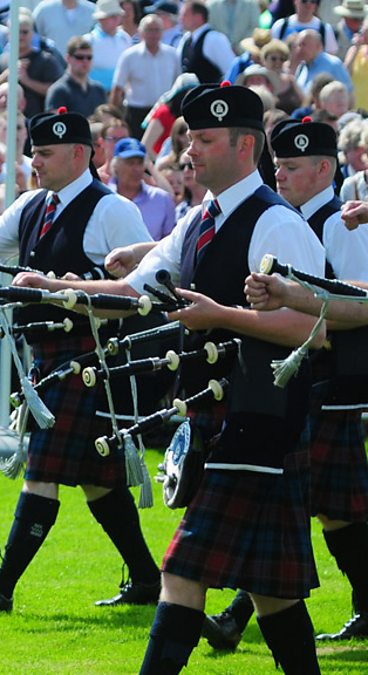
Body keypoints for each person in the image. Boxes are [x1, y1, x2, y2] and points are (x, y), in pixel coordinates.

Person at [14, 83, 326, 675]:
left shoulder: (277, 223)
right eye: (188, 139)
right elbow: (134, 293)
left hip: (261, 420)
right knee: (271, 590)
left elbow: (312, 327)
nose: (189, 152)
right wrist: (57, 288)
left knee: (183, 572)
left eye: (204, 140)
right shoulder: (198, 219)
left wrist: (223, 316)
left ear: (245, 145)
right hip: (217, 419)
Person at [0, 108, 161, 615]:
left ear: (79, 154)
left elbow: (141, 295)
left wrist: (62, 291)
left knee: (40, 473)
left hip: (93, 362)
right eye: (34, 153)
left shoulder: (113, 211)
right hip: (47, 359)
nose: (34, 163)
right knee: (96, 480)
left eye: (43, 153)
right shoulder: (30, 206)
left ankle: (1, 588)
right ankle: (148, 579)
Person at [201, 117, 368, 650]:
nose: (281, 175)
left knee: (323, 506)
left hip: (335, 378)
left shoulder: (345, 224)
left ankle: (236, 614)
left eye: (293, 167)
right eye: (278, 166)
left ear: (325, 168)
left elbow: (360, 301)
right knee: (309, 504)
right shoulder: (283, 218)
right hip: (299, 376)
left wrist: (304, 311)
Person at [109, 138, 176, 240]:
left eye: (140, 163)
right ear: (116, 166)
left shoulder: (161, 199)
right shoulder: (103, 198)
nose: (136, 169)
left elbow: (170, 244)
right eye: (130, 163)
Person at [46, 35, 108, 117]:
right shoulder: (58, 91)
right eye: (80, 57)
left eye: (89, 57)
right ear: (68, 58)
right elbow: (56, 125)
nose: (85, 61)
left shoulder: (99, 90)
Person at [179, 0, 236, 84]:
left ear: (198, 17)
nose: (181, 19)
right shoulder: (185, 39)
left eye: (185, 15)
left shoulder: (214, 38)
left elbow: (230, 71)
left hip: (212, 95)